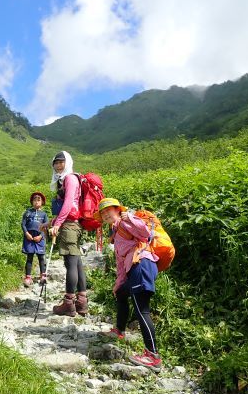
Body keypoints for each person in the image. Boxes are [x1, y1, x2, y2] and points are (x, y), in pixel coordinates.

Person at [95, 197, 162, 371]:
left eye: (108, 210)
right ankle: (119, 331)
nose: (105, 214)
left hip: (142, 265)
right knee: (121, 293)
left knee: (141, 309)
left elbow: (146, 233)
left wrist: (129, 216)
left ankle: (152, 356)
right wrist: (118, 284)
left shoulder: (126, 222)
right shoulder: (116, 232)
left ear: (118, 210)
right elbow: (120, 263)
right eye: (102, 213)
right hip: (133, 268)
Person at [41, 151, 88, 317]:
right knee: (77, 263)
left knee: (70, 263)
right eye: (56, 163)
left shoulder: (70, 178)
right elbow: (67, 208)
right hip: (71, 224)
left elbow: (68, 204)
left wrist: (58, 224)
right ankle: (81, 302)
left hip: (69, 226)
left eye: (61, 162)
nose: (58, 165)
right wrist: (50, 223)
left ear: (68, 162)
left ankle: (68, 303)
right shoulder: (65, 180)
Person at [21, 192, 49, 287]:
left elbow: (46, 226)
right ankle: (28, 277)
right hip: (29, 237)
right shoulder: (28, 212)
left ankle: (43, 276)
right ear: (32, 202)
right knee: (29, 257)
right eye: (34, 200)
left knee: (41, 257)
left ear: (42, 202)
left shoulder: (44, 214)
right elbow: (23, 224)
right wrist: (26, 233)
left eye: (39, 200)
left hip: (39, 238)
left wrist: (41, 236)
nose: (36, 202)